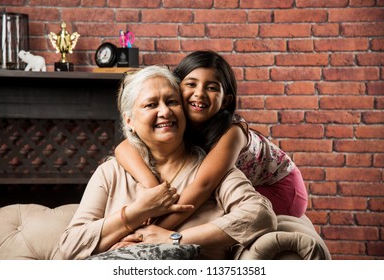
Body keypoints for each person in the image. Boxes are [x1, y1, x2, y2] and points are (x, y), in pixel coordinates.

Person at [58, 65, 276, 260]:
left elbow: (260, 216)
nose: (165, 112)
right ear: (129, 121)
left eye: (172, 102)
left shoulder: (212, 170)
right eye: (151, 104)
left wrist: (174, 238)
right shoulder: (111, 172)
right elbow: (70, 245)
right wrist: (137, 212)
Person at [115, 51, 308, 231]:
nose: (199, 93)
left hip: (280, 188)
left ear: (225, 100)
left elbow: (203, 187)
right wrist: (154, 189)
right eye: (191, 84)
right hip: (236, 184)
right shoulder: (175, 118)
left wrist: (150, 232)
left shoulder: (233, 133)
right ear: (176, 88)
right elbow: (123, 148)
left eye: (212, 87)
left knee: (212, 212)